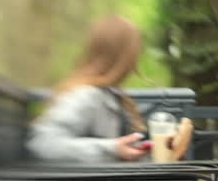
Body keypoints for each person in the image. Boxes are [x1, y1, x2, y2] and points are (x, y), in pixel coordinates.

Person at [26, 16, 150, 164]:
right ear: (122, 56)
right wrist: (112, 149)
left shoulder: (112, 96)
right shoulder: (86, 96)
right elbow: (43, 144)